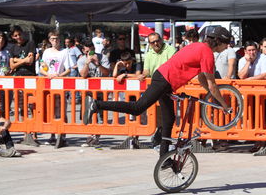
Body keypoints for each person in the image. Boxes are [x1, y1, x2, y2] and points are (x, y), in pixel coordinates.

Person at [83, 26, 231, 159]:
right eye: (226, 43)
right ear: (218, 41)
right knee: (137, 108)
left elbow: (202, 79)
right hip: (164, 80)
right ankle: (97, 104)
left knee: (169, 120)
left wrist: (214, 98)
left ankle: (164, 158)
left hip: (165, 80)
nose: (227, 47)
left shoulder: (198, 46)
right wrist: (224, 104)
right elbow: (212, 84)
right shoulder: (207, 53)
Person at [40, 31, 72, 148]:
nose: (55, 41)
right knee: (51, 110)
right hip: (49, 84)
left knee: (62, 109)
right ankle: (52, 134)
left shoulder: (65, 52)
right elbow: (42, 67)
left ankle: (62, 135)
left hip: (61, 84)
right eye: (53, 39)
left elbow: (69, 69)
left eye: (57, 39)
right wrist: (47, 74)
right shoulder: (47, 52)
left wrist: (60, 76)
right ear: (49, 40)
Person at [8, 26, 38, 145]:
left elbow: (30, 61)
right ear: (12, 37)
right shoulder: (12, 48)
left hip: (30, 78)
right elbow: (11, 67)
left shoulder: (30, 44)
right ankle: (25, 133)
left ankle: (34, 133)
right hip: (19, 80)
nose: (18, 37)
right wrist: (23, 60)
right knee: (21, 107)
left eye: (19, 34)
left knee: (32, 106)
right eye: (15, 35)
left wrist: (16, 60)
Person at [78, 39, 110, 147]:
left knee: (100, 115)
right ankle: (91, 135)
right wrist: (87, 63)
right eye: (87, 52)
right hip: (88, 92)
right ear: (83, 51)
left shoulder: (102, 57)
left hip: (101, 92)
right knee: (88, 114)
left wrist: (97, 64)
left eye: (92, 51)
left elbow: (106, 73)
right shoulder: (82, 60)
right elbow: (82, 74)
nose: (90, 54)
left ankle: (96, 136)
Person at [0, 31, 12, 117]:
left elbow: (9, 66)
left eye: (3, 38)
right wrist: (0, 77)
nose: (1, 40)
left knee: (5, 110)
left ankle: (4, 129)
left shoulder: (6, 52)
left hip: (6, 84)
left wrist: (10, 71)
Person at [64, 36, 83, 103]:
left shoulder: (75, 49)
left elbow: (81, 57)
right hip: (66, 70)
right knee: (68, 84)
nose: (66, 43)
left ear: (71, 42)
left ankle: (76, 97)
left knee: (74, 83)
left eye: (68, 42)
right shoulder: (65, 49)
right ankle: (70, 97)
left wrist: (77, 65)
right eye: (65, 42)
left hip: (73, 70)